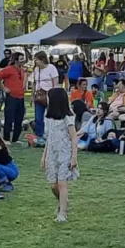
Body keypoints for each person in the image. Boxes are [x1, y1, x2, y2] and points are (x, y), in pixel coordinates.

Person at [40, 86, 79, 222]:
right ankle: (63, 202)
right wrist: (44, 156)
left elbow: (73, 138)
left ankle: (62, 213)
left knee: (62, 182)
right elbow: (49, 138)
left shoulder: (68, 117)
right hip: (52, 153)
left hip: (65, 153)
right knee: (53, 184)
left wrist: (74, 157)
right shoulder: (48, 117)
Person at [33, 52, 60, 133]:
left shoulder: (51, 68)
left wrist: (53, 96)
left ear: (42, 59)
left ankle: (52, 133)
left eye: (37, 60)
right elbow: (34, 82)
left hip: (49, 94)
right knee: (38, 118)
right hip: (39, 95)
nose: (35, 62)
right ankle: (40, 134)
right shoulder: (36, 69)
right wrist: (33, 94)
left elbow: (55, 83)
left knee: (51, 117)